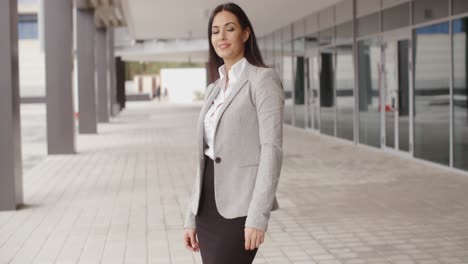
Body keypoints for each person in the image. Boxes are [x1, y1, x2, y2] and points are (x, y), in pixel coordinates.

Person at [182, 3, 284, 264]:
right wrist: (190, 217)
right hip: (206, 207)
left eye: (229, 29)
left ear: (245, 34)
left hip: (240, 207)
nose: (221, 37)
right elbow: (203, 158)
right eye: (215, 31)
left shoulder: (263, 80)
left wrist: (258, 216)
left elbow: (271, 150)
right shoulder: (213, 89)